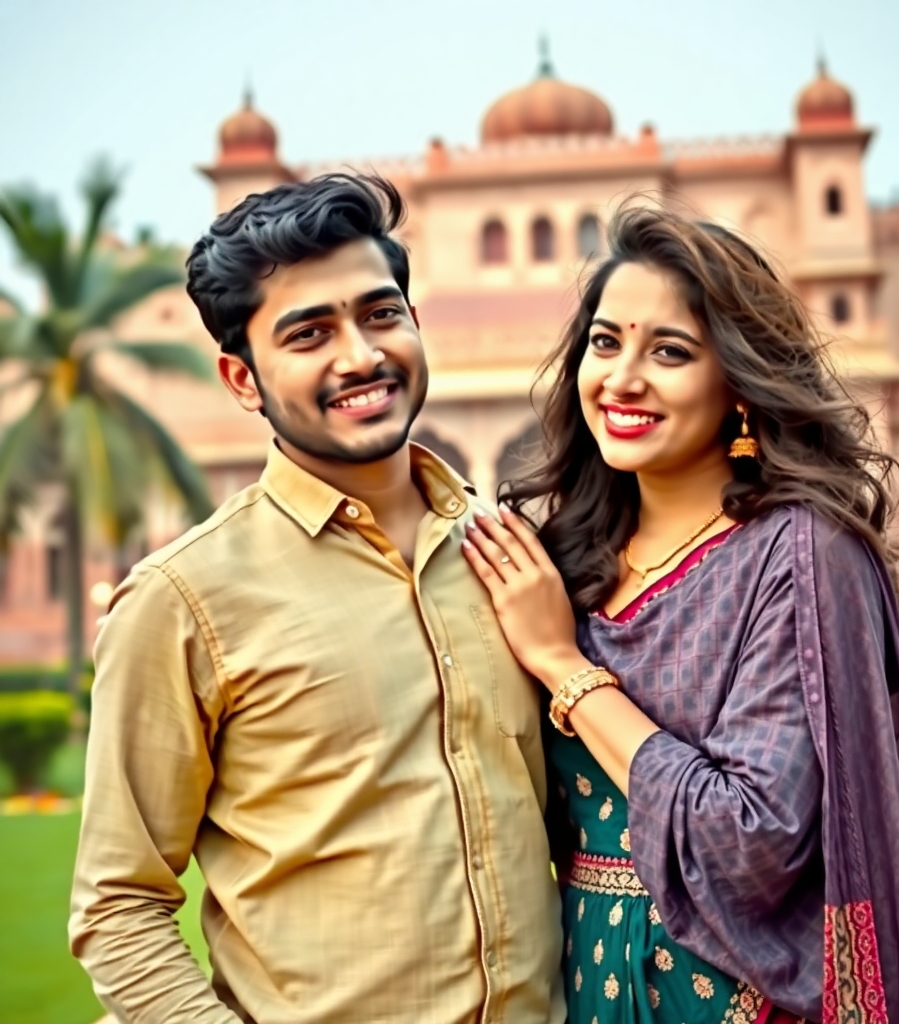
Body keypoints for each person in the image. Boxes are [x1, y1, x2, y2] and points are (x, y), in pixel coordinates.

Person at [462, 204, 899, 1024]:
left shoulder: (801, 556)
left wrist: (564, 667)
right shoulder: (558, 561)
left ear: (738, 381)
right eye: (605, 342)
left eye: (669, 351)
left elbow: (750, 836)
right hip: (583, 986)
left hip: (738, 1000)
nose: (622, 378)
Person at [69, 174, 565, 1024]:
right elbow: (119, 908)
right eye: (308, 334)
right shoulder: (183, 600)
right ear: (242, 378)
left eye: (380, 314)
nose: (361, 356)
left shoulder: (513, 559)